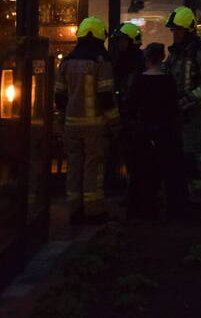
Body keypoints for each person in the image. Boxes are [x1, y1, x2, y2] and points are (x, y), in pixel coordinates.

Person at [55, 17, 119, 224]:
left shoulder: (67, 61)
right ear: (101, 36)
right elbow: (106, 97)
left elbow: (59, 96)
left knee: (74, 167)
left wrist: (61, 121)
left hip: (71, 126)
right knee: (94, 167)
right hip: (95, 127)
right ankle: (94, 211)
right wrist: (116, 124)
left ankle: (75, 209)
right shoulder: (101, 60)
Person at [123, 42, 188, 220]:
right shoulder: (168, 81)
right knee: (169, 172)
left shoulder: (139, 81)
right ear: (161, 58)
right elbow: (174, 106)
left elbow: (130, 106)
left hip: (144, 132)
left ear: (147, 58)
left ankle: (144, 209)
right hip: (166, 131)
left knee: (142, 172)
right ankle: (173, 211)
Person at [163, 6, 201, 200]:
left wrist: (188, 100)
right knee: (185, 158)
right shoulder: (175, 54)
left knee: (199, 159)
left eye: (177, 30)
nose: (174, 34)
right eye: (173, 30)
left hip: (197, 115)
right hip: (180, 117)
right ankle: (187, 197)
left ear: (188, 30)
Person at [107, 22, 145, 193]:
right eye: (119, 41)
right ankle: (131, 191)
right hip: (124, 115)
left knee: (136, 157)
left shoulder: (138, 63)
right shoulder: (121, 62)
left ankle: (137, 192)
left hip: (135, 117)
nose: (120, 45)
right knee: (127, 156)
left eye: (123, 41)